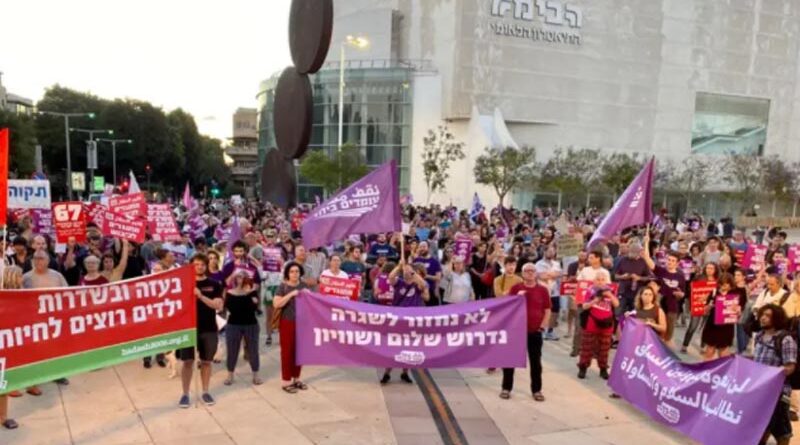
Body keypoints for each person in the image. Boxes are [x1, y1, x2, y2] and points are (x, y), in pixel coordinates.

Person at [176, 254, 224, 408]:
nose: (200, 267)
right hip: (188, 329)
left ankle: (205, 391)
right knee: (188, 362)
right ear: (191, 266)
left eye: (203, 264)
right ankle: (185, 393)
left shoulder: (215, 284)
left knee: (206, 362)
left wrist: (201, 296)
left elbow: (218, 306)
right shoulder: (183, 285)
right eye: (196, 264)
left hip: (208, 328)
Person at [500, 263, 550, 401]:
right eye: (526, 271)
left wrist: (542, 326)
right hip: (516, 331)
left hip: (535, 331)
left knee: (535, 362)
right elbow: (508, 306)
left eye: (532, 271)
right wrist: (517, 297)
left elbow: (547, 309)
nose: (529, 273)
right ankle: (506, 388)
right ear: (522, 274)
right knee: (510, 360)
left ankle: (536, 390)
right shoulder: (516, 288)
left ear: (536, 273)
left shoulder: (543, 290)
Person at [23, 249, 70, 389]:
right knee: (36, 349)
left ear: (48, 261)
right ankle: (35, 375)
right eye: (36, 258)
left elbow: (67, 294)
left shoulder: (57, 276)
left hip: (54, 319)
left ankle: (57, 373)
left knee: (55, 348)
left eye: (41, 258)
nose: (38, 261)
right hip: (34, 319)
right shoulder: (25, 278)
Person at [753, 304, 796, 445]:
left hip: (778, 392)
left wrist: (770, 374)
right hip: (760, 389)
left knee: (781, 430)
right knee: (761, 424)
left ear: (776, 319)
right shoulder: (759, 336)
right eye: (762, 315)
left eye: (768, 316)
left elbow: (790, 367)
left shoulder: (785, 339)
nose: (763, 318)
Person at [382, 262, 430, 384]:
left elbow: (423, 285)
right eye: (405, 271)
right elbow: (391, 278)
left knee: (410, 347)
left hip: (413, 321)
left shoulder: (417, 284)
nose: (406, 272)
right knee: (394, 347)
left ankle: (405, 372)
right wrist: (399, 266)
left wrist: (413, 272)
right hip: (398, 320)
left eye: (409, 271)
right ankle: (387, 373)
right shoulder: (399, 283)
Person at [642, 233, 686, 348]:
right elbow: (647, 258)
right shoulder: (661, 271)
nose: (669, 262)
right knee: (656, 334)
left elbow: (683, 294)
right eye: (668, 260)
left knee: (668, 337)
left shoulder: (680, 276)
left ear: (677, 263)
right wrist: (646, 242)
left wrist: (679, 294)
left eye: (672, 261)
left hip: (672, 308)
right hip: (659, 307)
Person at [273, 262, 309, 393]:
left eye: (297, 271)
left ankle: (296, 378)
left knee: (300, 352)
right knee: (287, 351)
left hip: (302, 322)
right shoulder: (282, 286)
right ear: (287, 273)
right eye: (292, 271)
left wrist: (308, 294)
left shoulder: (304, 285)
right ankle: (286, 380)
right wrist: (291, 295)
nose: (295, 274)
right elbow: (276, 304)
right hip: (287, 321)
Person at [223, 271, 262, 386]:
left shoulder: (252, 292)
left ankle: (255, 374)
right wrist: (247, 299)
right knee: (232, 350)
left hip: (251, 324)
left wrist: (249, 293)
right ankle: (230, 374)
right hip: (233, 324)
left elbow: (254, 308)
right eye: (239, 276)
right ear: (235, 278)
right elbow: (231, 308)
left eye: (245, 276)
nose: (242, 279)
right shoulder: (230, 293)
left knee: (253, 350)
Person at [571, 251, 611, 357]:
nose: (589, 259)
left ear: (598, 258)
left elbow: (608, 287)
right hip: (584, 301)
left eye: (592, 257)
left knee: (596, 328)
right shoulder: (585, 270)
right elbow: (578, 284)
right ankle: (576, 348)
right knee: (579, 326)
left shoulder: (605, 272)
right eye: (589, 257)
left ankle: (595, 351)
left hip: (599, 304)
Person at [577, 284, 619, 380]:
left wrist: (610, 295)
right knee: (587, 347)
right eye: (598, 280)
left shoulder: (610, 292)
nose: (601, 282)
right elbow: (584, 306)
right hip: (592, 322)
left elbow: (617, 304)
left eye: (603, 280)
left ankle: (603, 369)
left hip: (607, 323)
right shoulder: (591, 291)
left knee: (604, 348)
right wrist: (595, 300)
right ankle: (583, 367)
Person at [0, 265, 23, 429]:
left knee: (3, 382)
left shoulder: (23, 296)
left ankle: (3, 416)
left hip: (10, 343)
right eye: (20, 276)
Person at [681, 262, 719, 354]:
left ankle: (703, 346)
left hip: (710, 306)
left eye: (711, 268)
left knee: (705, 328)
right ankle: (685, 345)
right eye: (708, 268)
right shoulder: (700, 278)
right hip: (698, 305)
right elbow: (692, 289)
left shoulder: (718, 281)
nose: (709, 270)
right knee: (692, 326)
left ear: (715, 270)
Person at [700, 273, 738, 360]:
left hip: (726, 326)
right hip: (713, 324)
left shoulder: (734, 294)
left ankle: (723, 371)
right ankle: (705, 370)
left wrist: (737, 310)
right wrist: (709, 307)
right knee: (709, 350)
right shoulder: (714, 292)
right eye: (721, 284)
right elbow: (705, 310)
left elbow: (738, 313)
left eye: (726, 284)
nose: (723, 286)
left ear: (730, 284)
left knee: (723, 352)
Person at [535, 246, 562, 341]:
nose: (551, 253)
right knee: (544, 311)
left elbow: (559, 274)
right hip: (543, 291)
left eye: (553, 251)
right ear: (545, 252)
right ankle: (542, 330)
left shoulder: (557, 263)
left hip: (555, 291)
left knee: (555, 310)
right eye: (549, 251)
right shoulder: (539, 263)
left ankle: (550, 330)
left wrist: (549, 274)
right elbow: (541, 276)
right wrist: (552, 274)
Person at [412, 241, 443, 306]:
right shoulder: (415, 260)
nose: (422, 248)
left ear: (428, 248)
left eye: (424, 246)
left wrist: (425, 276)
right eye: (420, 247)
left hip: (431, 290)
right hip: (418, 291)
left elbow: (438, 277)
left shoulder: (435, 262)